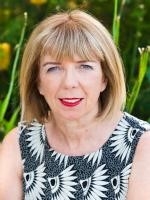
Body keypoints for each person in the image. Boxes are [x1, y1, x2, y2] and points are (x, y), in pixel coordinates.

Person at [0, 9, 150, 200]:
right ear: (37, 82)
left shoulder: (142, 145)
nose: (69, 82)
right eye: (53, 68)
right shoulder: (18, 145)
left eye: (85, 66)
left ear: (105, 78)